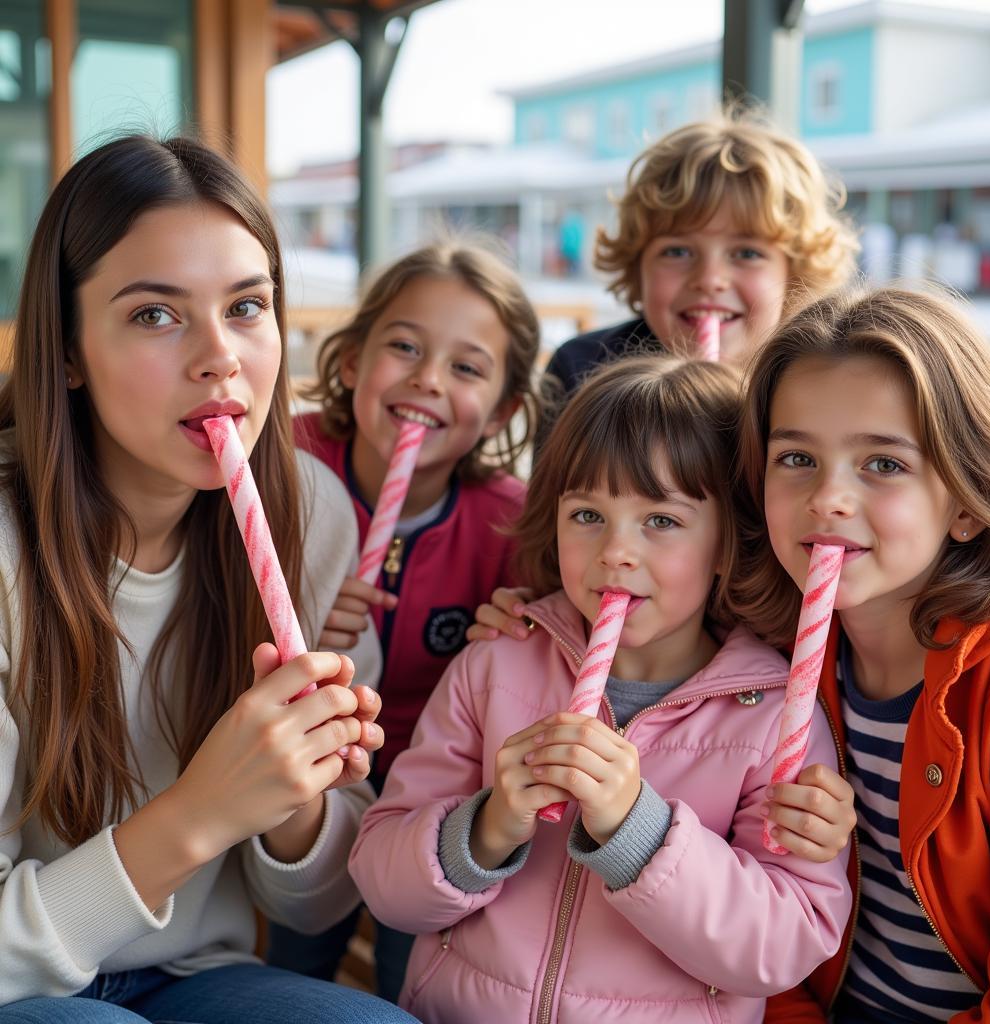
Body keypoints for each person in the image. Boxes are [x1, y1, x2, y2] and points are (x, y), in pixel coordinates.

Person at [0, 135, 416, 1024]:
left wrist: (296, 802)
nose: (219, 356)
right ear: (67, 351)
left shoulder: (310, 514)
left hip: (197, 977)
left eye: (247, 306)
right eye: (156, 314)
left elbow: (313, 906)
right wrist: (203, 810)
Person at [349, 356, 852, 1023]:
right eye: (587, 514)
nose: (616, 550)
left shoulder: (772, 718)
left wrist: (637, 831)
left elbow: (784, 945)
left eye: (662, 522)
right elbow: (385, 886)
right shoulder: (497, 664)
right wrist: (489, 828)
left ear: (729, 543)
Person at [734, 288, 990, 1022]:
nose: (828, 497)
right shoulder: (764, 655)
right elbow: (768, 943)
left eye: (883, 465)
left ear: (965, 501)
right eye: (796, 457)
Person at [275, 241, 539, 998]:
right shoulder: (282, 468)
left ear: (504, 411)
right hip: (304, 788)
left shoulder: (512, 529)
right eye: (404, 347)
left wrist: (517, 632)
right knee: (292, 965)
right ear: (353, 361)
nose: (427, 378)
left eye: (466, 367)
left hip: (431, 806)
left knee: (410, 982)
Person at [539, 105, 859, 439]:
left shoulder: (822, 387)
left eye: (747, 253)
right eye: (677, 251)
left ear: (797, 275)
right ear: (638, 267)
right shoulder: (583, 371)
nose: (709, 279)